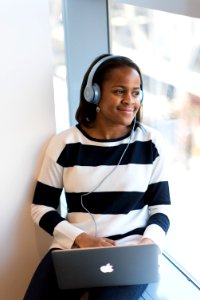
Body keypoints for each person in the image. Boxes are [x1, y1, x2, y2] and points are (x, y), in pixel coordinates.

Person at [23, 54, 171, 300]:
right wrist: (80, 238)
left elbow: (161, 208)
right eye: (119, 91)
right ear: (94, 94)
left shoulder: (151, 142)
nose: (130, 101)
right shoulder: (65, 143)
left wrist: (148, 243)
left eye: (136, 92)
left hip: (130, 252)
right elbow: (41, 207)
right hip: (74, 248)